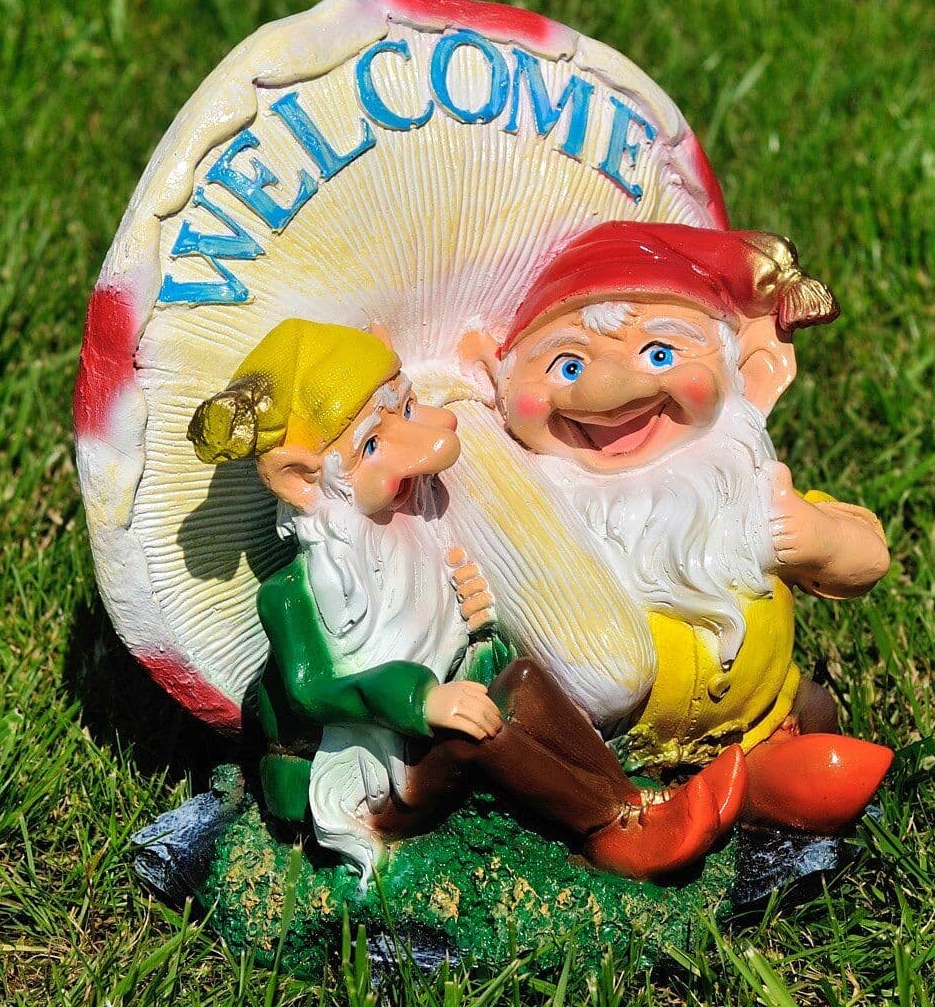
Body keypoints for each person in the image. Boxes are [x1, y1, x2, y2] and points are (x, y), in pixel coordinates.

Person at [189, 318, 746, 882]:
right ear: (303, 482)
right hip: (376, 776)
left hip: (435, 727)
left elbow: (437, 637)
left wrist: (476, 631)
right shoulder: (293, 595)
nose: (422, 444)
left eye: (408, 408)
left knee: (523, 680)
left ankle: (626, 798)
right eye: (373, 445)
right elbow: (312, 691)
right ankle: (610, 833)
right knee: (472, 736)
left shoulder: (409, 535)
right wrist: (421, 699)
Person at [462, 222, 893, 833]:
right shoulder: (536, 518)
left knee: (813, 729)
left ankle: (766, 780)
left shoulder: (742, 487)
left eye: (659, 353)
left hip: (759, 721)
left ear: (740, 368)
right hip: (609, 753)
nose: (609, 391)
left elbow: (868, 558)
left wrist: (819, 539)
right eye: (567, 364)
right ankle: (647, 811)